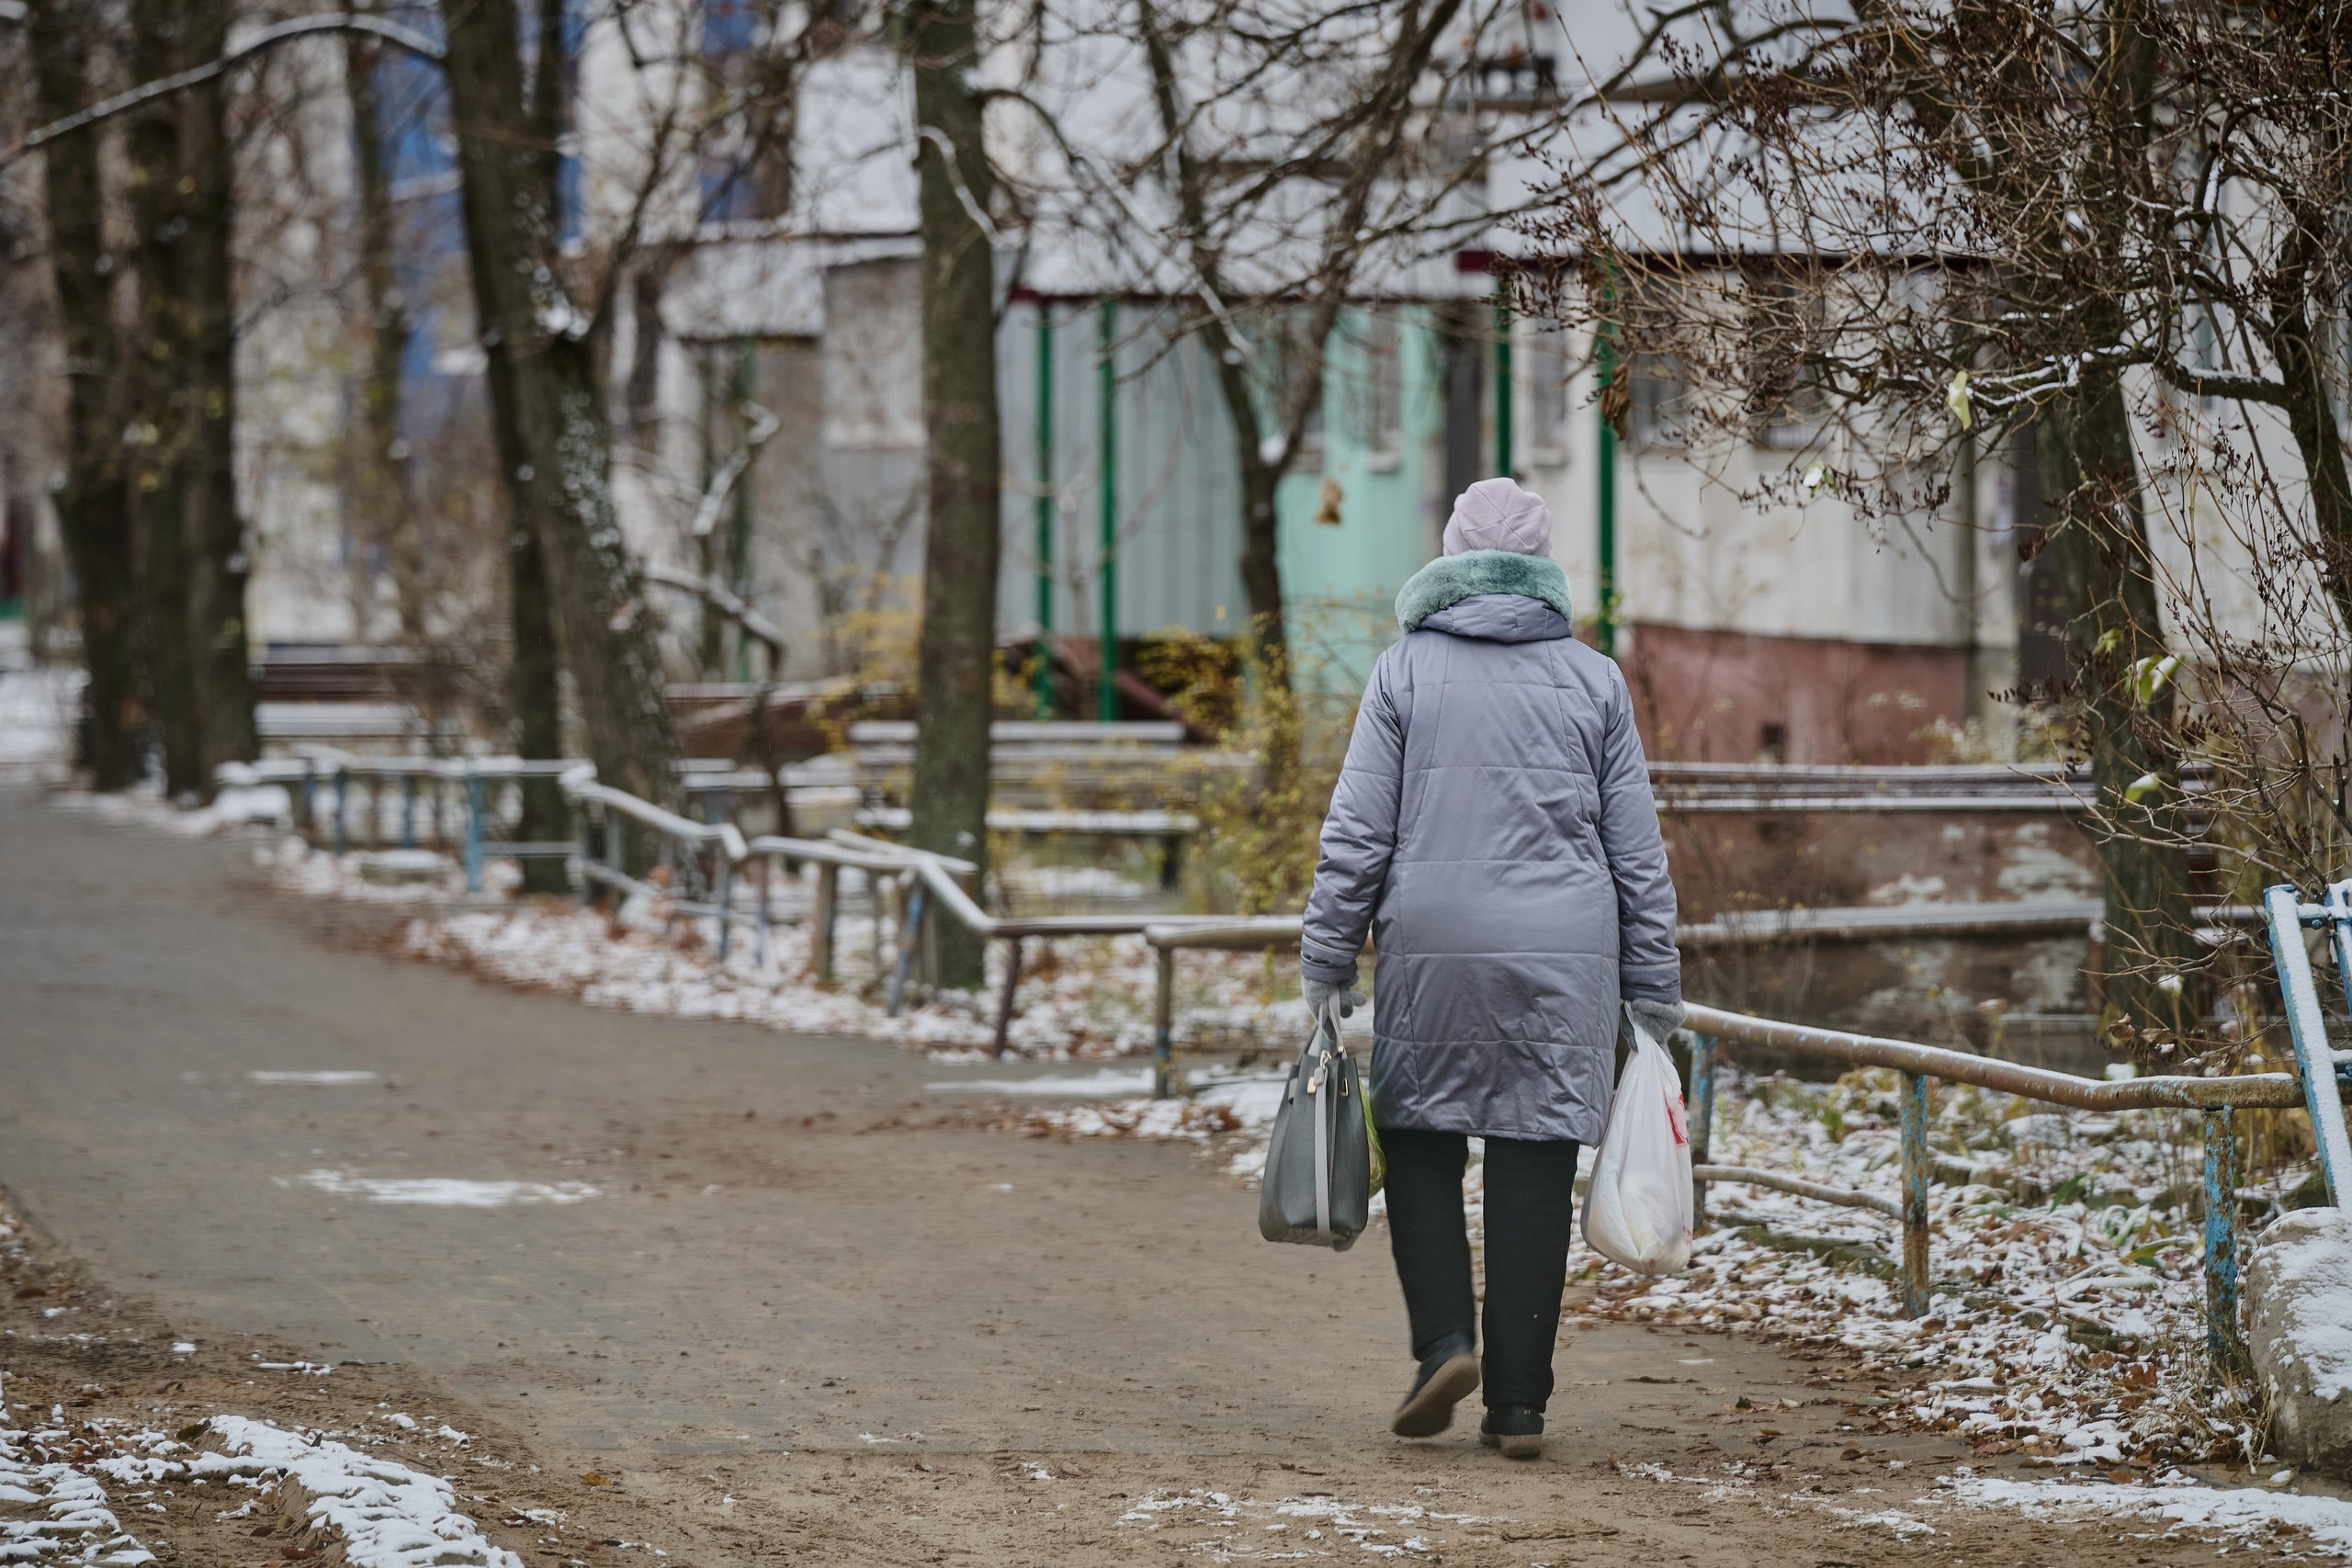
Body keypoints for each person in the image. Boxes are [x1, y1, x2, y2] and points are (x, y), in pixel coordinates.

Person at [1298, 476, 1683, 1461]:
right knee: (1534, 1160)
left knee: (1418, 1136)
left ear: (1449, 558)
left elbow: (1356, 836)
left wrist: (1326, 958)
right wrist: (1654, 984)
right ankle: (1518, 1405)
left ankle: (1443, 1347)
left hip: (1433, 943)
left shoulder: (1404, 672)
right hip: (1567, 953)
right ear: (1542, 567)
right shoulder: (1595, 680)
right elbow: (1636, 850)